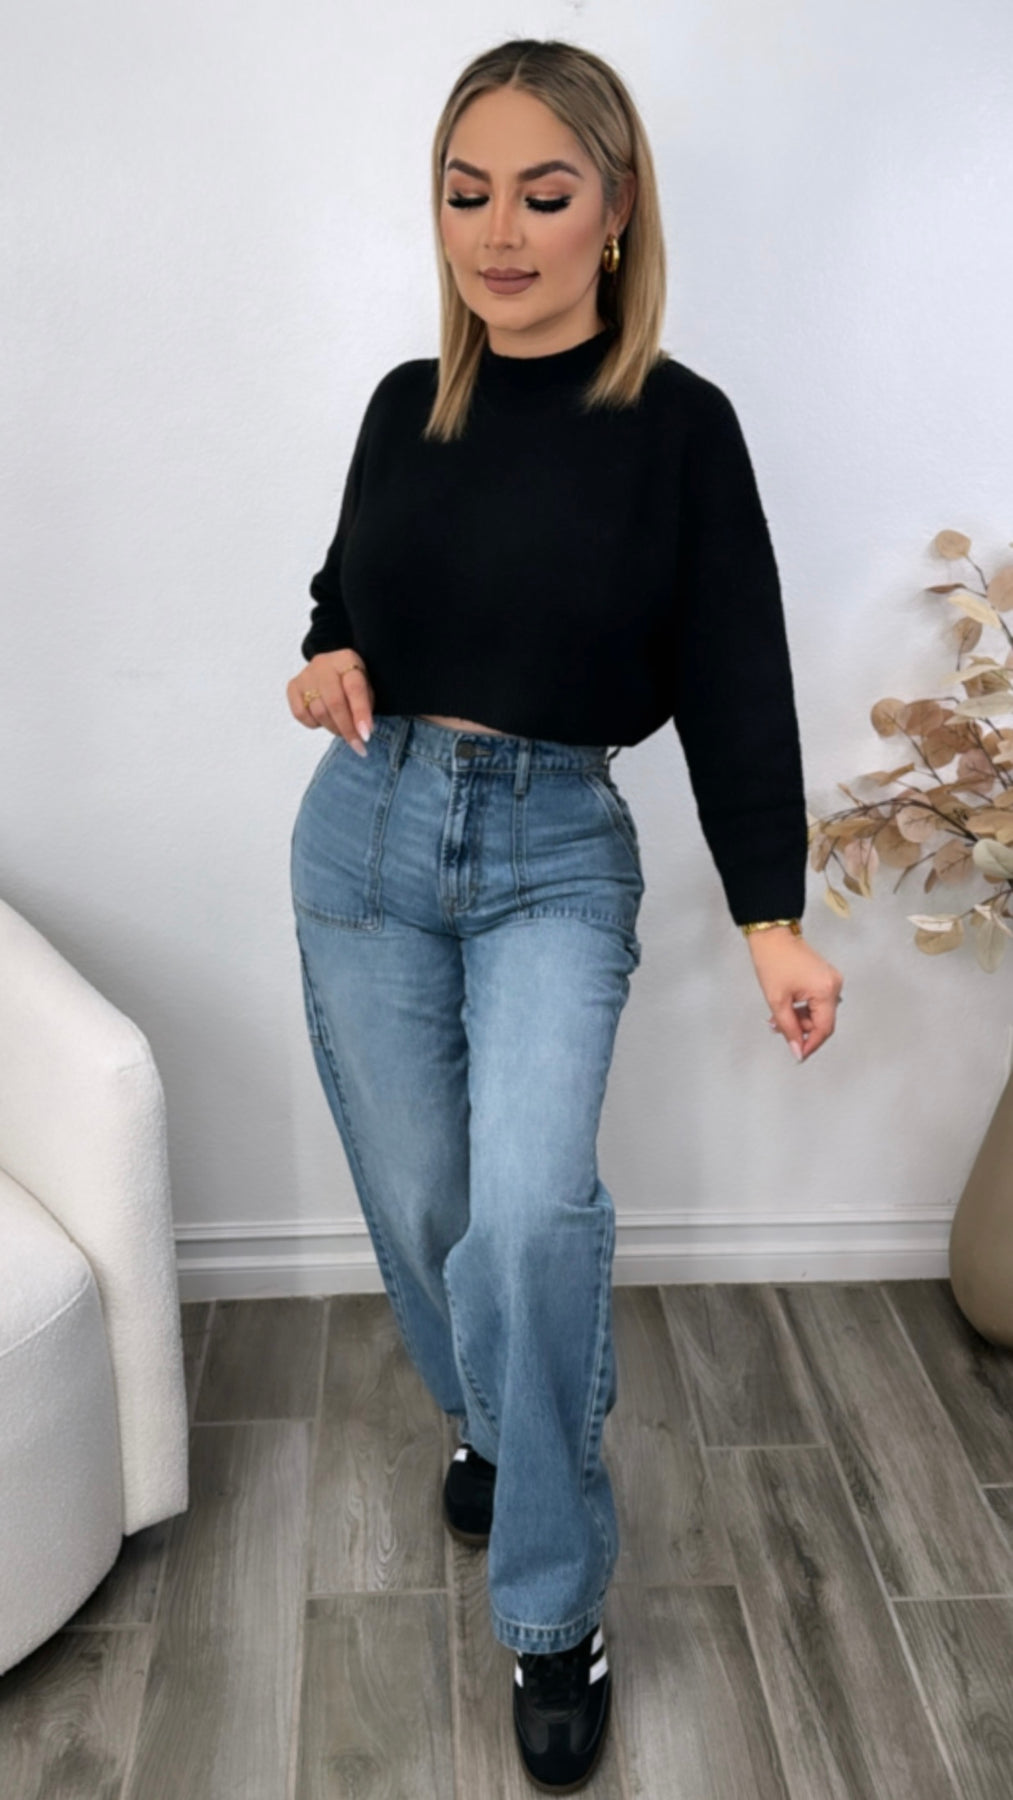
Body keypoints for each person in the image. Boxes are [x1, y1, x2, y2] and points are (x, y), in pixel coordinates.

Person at [286, 36, 844, 1795]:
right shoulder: (408, 403)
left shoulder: (679, 429)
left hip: (550, 851)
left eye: (542, 194)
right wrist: (323, 660)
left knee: (530, 1216)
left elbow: (738, 680)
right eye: (467, 195)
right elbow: (342, 596)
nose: (498, 233)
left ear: (614, 211)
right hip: (364, 841)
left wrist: (770, 917)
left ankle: (550, 1606)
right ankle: (493, 1420)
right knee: (429, 1203)